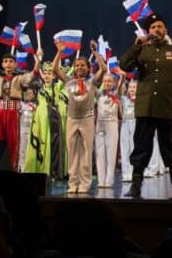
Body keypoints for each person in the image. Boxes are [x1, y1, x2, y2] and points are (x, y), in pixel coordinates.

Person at [119, 13, 172, 199]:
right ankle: (136, 185)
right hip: (146, 108)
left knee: (170, 148)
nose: (156, 29)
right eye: (152, 27)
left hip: (167, 108)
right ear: (148, 31)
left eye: (159, 26)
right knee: (141, 147)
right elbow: (124, 65)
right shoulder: (142, 49)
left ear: (166, 30)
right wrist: (136, 45)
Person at [53, 39, 106, 194]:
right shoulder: (69, 81)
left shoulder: (92, 82)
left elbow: (103, 68)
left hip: (87, 119)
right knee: (72, 152)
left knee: (86, 152)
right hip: (72, 119)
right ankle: (73, 183)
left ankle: (85, 183)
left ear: (88, 68)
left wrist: (95, 52)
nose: (79, 67)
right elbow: (55, 69)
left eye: (83, 65)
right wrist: (59, 52)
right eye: (77, 65)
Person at [0, 52, 41, 170]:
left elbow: (33, 74)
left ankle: (12, 167)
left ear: (15, 64)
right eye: (5, 61)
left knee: (13, 141)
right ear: (2, 64)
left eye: (11, 61)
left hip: (13, 113)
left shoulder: (19, 78)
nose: (8, 64)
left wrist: (38, 60)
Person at [23, 61, 67, 179]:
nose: (47, 75)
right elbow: (27, 95)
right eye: (45, 73)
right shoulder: (37, 87)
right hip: (39, 119)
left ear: (54, 76)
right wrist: (38, 59)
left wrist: (59, 55)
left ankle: (50, 170)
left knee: (51, 144)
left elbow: (65, 78)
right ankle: (37, 169)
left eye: (50, 73)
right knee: (38, 143)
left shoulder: (57, 87)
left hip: (52, 119)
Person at [95, 71, 124, 188]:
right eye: (105, 81)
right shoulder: (99, 94)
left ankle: (109, 180)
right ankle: (101, 180)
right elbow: (91, 84)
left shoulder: (116, 94)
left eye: (109, 81)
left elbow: (120, 86)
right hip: (99, 124)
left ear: (113, 83)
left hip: (111, 123)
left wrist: (122, 77)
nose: (107, 83)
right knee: (99, 153)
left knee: (111, 153)